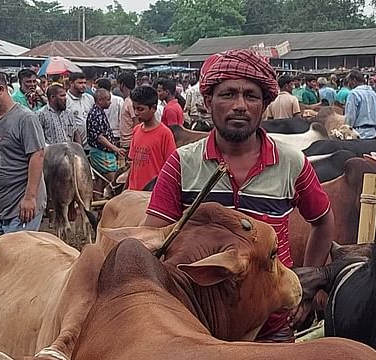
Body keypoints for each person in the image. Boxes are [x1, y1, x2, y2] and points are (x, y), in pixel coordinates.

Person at [143, 49, 336, 343]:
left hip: (271, 326)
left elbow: (322, 221)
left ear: (265, 105)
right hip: (197, 326)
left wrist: (304, 283)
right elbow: (153, 237)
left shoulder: (291, 162)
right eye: (228, 95)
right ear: (208, 102)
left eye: (251, 96)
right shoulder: (182, 163)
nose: (240, 106)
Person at [0, 69, 46, 235]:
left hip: (21, 206)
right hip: (0, 205)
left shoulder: (25, 118)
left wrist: (30, 197)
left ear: (0, 90)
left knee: (18, 257)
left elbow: (37, 156)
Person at [127, 86, 176, 191]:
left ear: (153, 108)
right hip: (133, 192)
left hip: (152, 193)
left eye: (140, 109)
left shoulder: (165, 134)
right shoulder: (136, 130)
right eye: (134, 108)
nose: (136, 113)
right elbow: (132, 165)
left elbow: (171, 168)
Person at [87, 88, 125, 188]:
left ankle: (99, 198)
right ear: (100, 100)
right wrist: (116, 149)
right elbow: (100, 138)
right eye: (108, 100)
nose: (110, 102)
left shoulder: (99, 112)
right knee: (115, 181)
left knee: (101, 179)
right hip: (101, 152)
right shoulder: (96, 114)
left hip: (102, 151)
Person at [344, 70, 376, 140]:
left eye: (349, 81)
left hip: (358, 134)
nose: (349, 84)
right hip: (373, 133)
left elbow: (350, 117)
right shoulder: (373, 94)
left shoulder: (353, 94)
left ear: (354, 80)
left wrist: (346, 132)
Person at [66, 72, 95, 152]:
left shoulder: (89, 98)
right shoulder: (65, 100)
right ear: (71, 83)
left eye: (85, 83)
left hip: (91, 145)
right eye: (80, 83)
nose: (83, 85)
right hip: (74, 146)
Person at [96, 78, 124, 144]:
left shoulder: (97, 101)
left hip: (104, 136)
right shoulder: (119, 100)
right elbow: (121, 120)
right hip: (115, 135)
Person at [117, 72, 137, 153]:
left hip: (129, 143)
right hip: (125, 142)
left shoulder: (130, 102)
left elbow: (136, 122)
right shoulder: (127, 100)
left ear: (122, 84)